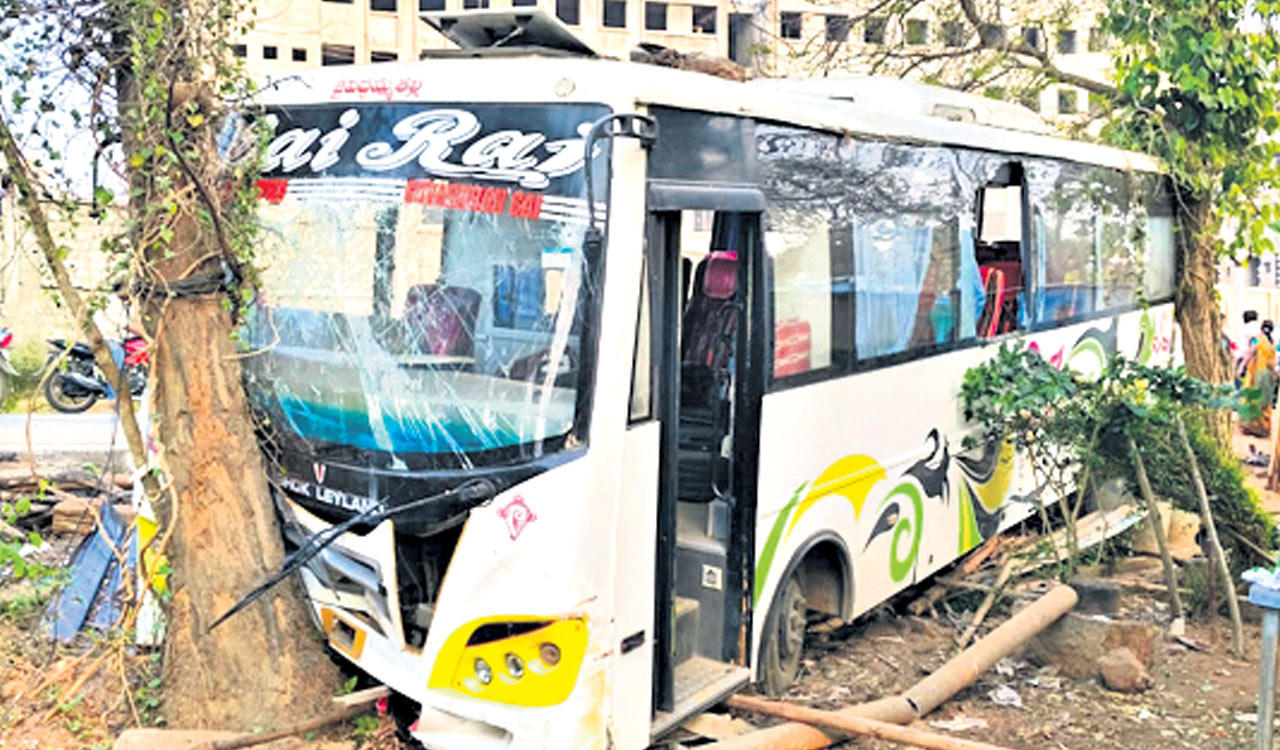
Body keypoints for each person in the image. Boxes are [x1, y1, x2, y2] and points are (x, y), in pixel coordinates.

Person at [1242, 318, 1277, 437]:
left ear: (1262, 328)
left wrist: (1242, 367)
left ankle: (1252, 427)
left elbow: (1251, 353)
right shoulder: (1273, 343)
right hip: (1268, 375)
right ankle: (1263, 429)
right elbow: (1273, 362)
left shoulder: (1257, 340)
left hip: (1256, 374)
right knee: (1265, 401)